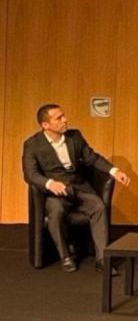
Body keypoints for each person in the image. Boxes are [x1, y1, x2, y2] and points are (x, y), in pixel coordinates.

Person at [22, 103, 131, 272]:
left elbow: (91, 158)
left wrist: (114, 171)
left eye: (64, 116)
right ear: (45, 125)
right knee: (56, 211)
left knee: (99, 207)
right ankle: (65, 256)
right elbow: (30, 174)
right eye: (59, 118)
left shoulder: (75, 136)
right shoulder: (33, 144)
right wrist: (49, 183)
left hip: (79, 187)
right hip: (56, 192)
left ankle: (102, 259)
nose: (65, 120)